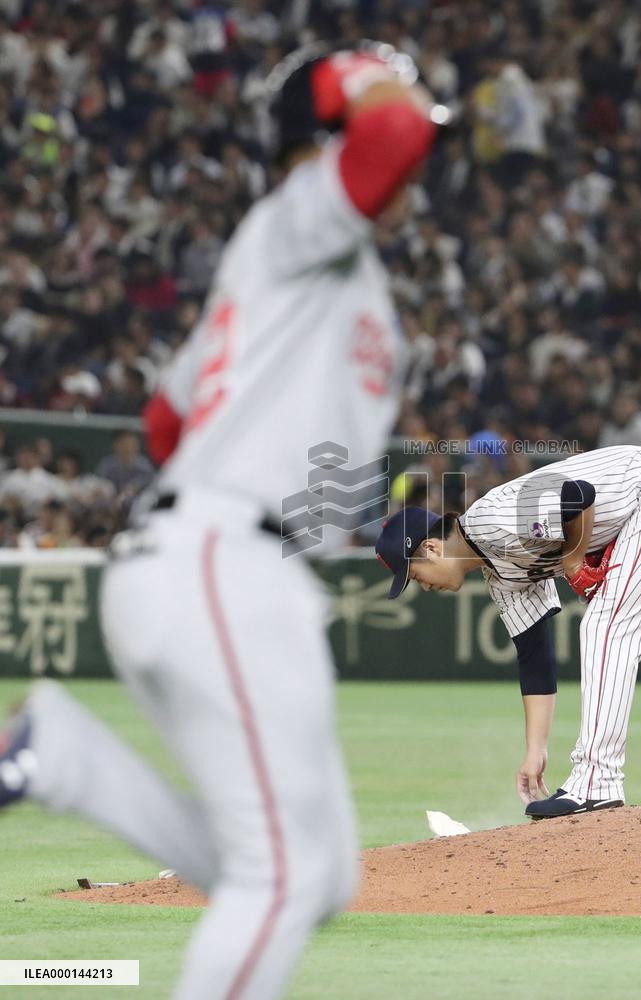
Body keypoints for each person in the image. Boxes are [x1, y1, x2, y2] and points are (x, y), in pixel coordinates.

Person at [0, 42, 441, 999]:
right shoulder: (301, 211)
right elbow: (394, 130)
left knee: (315, 875)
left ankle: (66, 760)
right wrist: (363, 84)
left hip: (230, 560)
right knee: (281, 880)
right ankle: (62, 759)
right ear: (324, 138)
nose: (419, 163)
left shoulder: (295, 256)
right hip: (222, 560)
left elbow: (166, 419)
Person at [375, 443, 641, 819]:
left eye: (415, 575)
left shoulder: (493, 518)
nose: (424, 587)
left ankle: (597, 781)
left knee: (605, 626)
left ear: (430, 547)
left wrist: (573, 562)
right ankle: (597, 779)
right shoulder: (500, 573)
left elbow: (577, 496)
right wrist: (535, 750)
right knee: (605, 624)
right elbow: (534, 655)